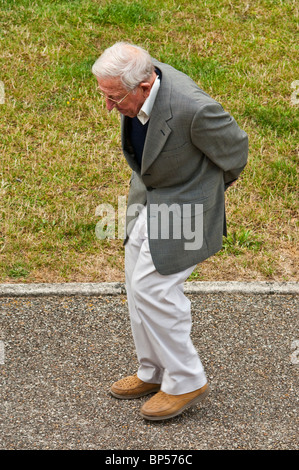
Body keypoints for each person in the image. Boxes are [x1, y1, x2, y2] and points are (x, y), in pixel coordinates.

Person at [92, 42, 248, 421]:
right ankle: (153, 371)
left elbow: (236, 151)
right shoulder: (139, 74)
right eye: (105, 95)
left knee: (155, 288)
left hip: (186, 205)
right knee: (135, 279)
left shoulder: (193, 108)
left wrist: (203, 193)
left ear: (145, 87)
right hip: (150, 195)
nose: (109, 107)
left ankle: (186, 379)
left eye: (115, 98)